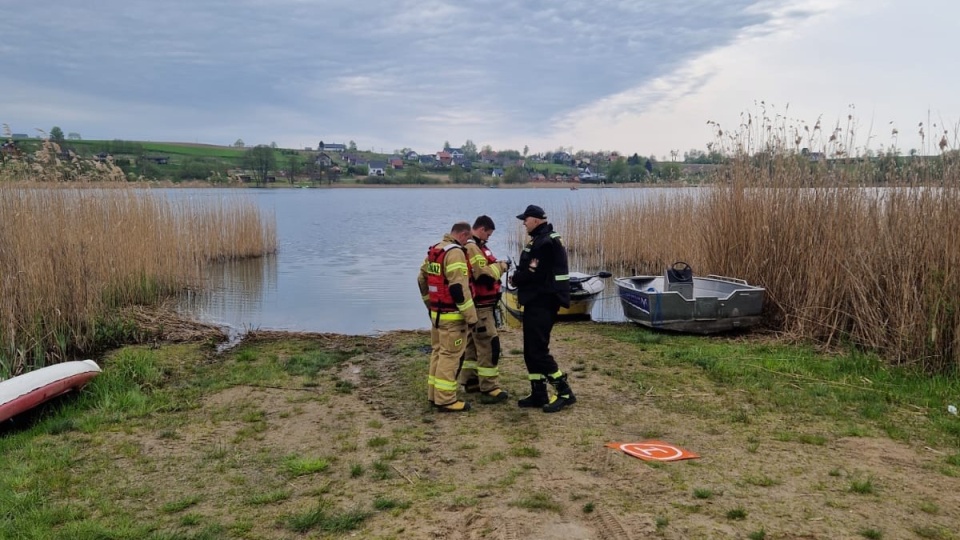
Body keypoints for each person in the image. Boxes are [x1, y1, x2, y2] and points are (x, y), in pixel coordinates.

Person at [510, 204, 575, 413]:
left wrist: (515, 278)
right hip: (536, 301)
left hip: (543, 302)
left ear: (536, 220)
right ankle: (538, 392)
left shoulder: (544, 242)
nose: (523, 223)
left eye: (526, 220)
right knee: (530, 350)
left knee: (538, 351)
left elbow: (532, 273)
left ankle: (564, 391)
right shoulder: (541, 238)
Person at [417, 221, 478, 412]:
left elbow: (421, 279)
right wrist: (471, 317)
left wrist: (430, 305)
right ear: (463, 234)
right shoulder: (455, 253)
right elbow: (459, 289)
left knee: (438, 353)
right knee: (450, 357)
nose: (468, 242)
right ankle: (445, 400)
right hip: (453, 317)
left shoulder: (436, 250)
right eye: (467, 238)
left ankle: (433, 395)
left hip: (437, 316)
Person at [458, 215, 510, 404]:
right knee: (489, 345)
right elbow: (483, 275)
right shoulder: (473, 247)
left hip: (476, 306)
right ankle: (489, 388)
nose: (488, 238)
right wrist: (502, 266)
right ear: (481, 229)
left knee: (472, 345)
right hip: (481, 308)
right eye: (488, 234)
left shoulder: (472, 246)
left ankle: (470, 381)